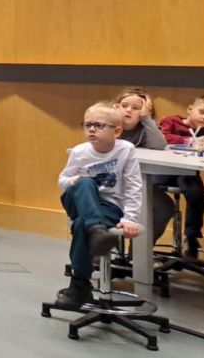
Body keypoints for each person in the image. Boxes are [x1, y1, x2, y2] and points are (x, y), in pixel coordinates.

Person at [53, 102, 142, 309]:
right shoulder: (79, 151)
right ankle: (96, 229)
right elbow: (62, 181)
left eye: (99, 125)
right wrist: (74, 181)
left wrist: (130, 218)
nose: (91, 129)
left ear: (117, 131)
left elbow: (133, 186)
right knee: (85, 183)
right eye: (87, 125)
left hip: (108, 207)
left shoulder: (126, 150)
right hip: (77, 200)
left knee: (80, 225)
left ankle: (79, 285)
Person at [159, 95, 204, 258]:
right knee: (148, 191)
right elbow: (163, 138)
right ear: (190, 109)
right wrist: (190, 141)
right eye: (202, 112)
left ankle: (192, 237)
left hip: (188, 173)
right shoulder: (171, 121)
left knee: (197, 193)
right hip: (164, 170)